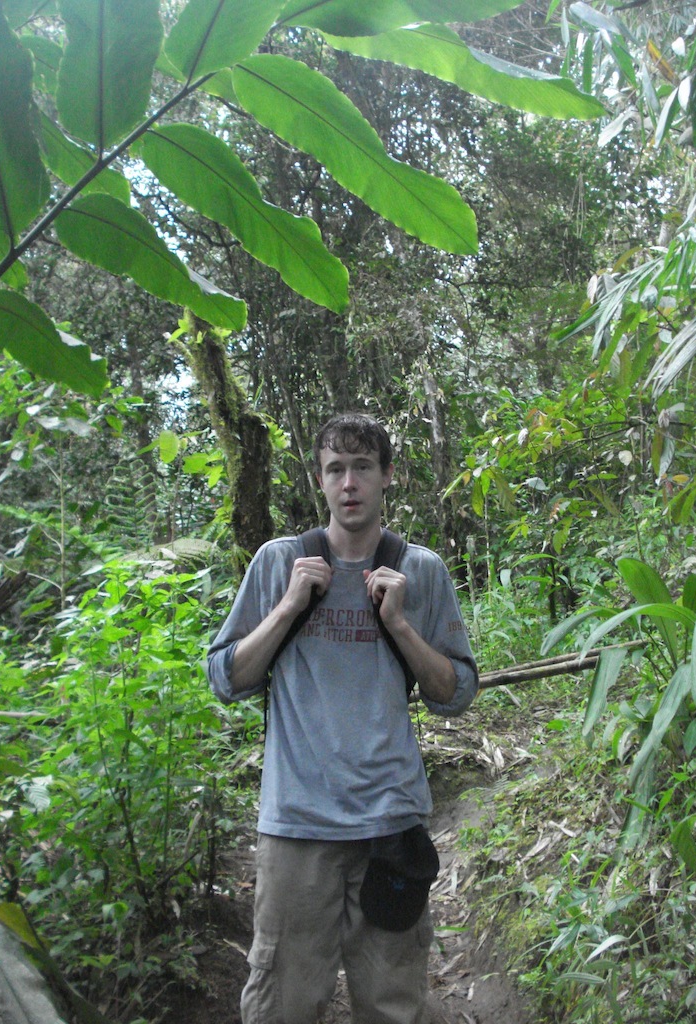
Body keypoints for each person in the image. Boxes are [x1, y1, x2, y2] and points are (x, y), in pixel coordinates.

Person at [207, 412, 478, 1024]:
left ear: (387, 476)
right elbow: (226, 678)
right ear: (320, 481)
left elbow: (455, 692)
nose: (349, 483)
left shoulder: (420, 570)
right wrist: (288, 607)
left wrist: (399, 624)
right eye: (335, 470)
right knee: (282, 1004)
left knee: (391, 1005)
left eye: (362, 467)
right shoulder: (279, 562)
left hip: (391, 826)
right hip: (297, 828)